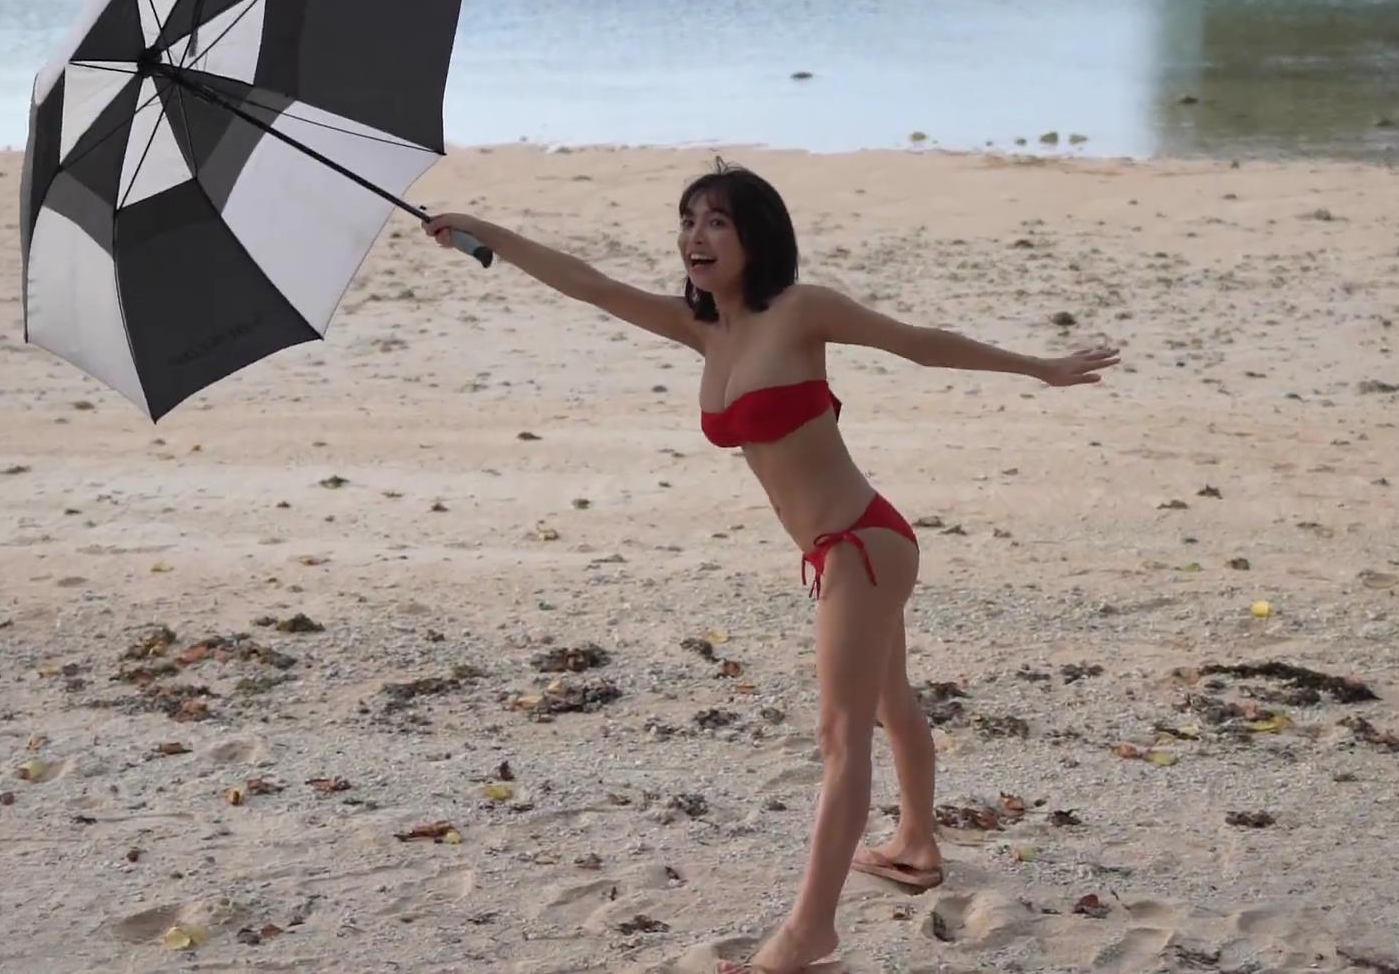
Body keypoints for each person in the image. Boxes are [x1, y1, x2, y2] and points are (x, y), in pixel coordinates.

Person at [424, 161, 1119, 974]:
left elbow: (916, 343)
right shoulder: (700, 329)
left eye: (717, 221)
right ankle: (917, 843)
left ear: (757, 238)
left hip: (861, 543)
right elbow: (588, 283)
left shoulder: (801, 310)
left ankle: (809, 931)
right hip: (840, 549)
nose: (696, 236)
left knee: (840, 734)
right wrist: (485, 233)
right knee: (891, 701)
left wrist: (1039, 366)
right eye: (688, 220)